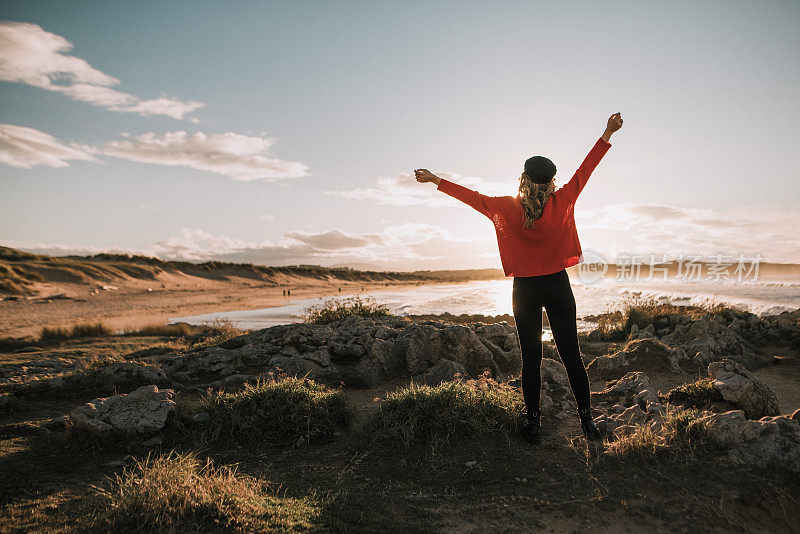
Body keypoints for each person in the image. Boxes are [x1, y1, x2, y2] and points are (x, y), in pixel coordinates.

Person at [414, 112, 623, 444]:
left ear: (524, 179)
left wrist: (436, 180)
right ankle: (588, 422)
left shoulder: (505, 207)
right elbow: (587, 169)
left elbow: (472, 198)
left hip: (524, 289)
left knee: (531, 359)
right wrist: (607, 133)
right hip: (557, 285)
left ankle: (534, 425)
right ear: (551, 181)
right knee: (571, 355)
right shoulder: (564, 199)